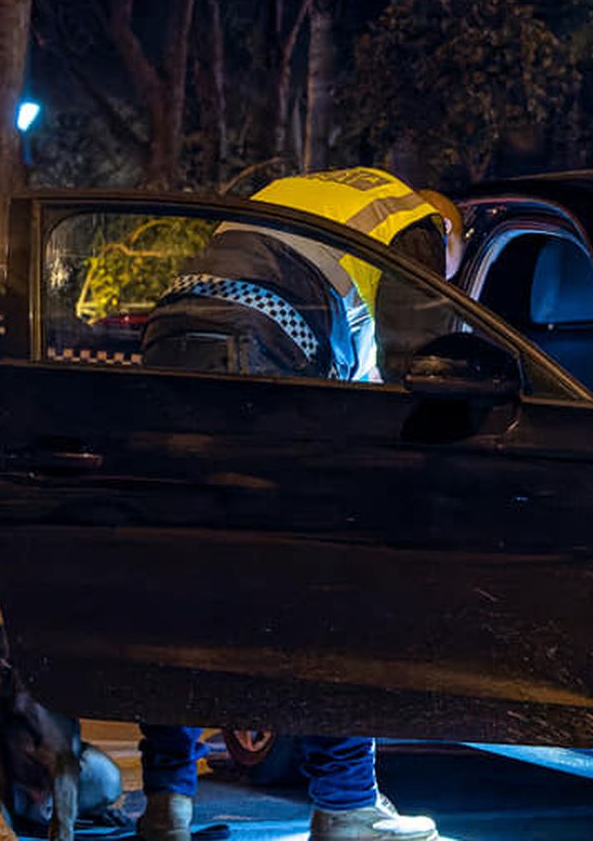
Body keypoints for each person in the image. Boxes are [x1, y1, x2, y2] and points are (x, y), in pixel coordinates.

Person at [134, 168, 457, 841]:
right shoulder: (417, 222)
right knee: (320, 586)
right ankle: (346, 804)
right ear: (451, 232)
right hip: (260, 343)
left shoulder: (322, 194)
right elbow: (421, 367)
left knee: (184, 581)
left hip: (169, 333)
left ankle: (166, 804)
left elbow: (357, 361)